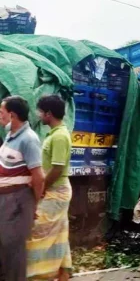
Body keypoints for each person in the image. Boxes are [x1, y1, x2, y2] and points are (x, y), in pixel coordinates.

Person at [27, 95, 72, 281]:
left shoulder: (60, 136)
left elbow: (58, 166)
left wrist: (43, 185)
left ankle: (38, 274)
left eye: (40, 111)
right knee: (58, 232)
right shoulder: (55, 133)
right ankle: (62, 273)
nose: (38, 115)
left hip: (56, 191)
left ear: (49, 113)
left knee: (37, 231)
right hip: (55, 190)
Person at [0, 96, 44, 281]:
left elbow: (39, 177)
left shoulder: (29, 139)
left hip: (18, 200)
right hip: (5, 199)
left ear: (12, 115)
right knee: (3, 248)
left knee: (14, 250)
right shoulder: (10, 132)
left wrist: (33, 205)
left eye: (1, 113)